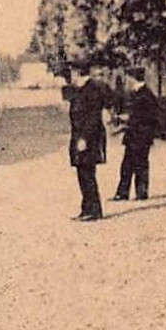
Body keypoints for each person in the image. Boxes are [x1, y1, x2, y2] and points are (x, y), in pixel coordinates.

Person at [64, 59, 110, 221]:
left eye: (73, 72)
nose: (71, 75)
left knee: (88, 174)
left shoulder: (91, 90)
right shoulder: (82, 89)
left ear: (78, 73)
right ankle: (87, 209)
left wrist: (84, 139)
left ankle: (94, 210)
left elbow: (93, 118)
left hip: (88, 139)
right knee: (83, 174)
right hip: (81, 137)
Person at [113, 66, 157, 201]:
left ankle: (141, 192)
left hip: (141, 136)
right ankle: (123, 193)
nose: (127, 82)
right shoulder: (138, 93)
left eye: (128, 78)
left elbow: (146, 117)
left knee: (140, 164)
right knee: (127, 164)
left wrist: (126, 119)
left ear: (132, 79)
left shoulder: (145, 95)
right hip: (134, 136)